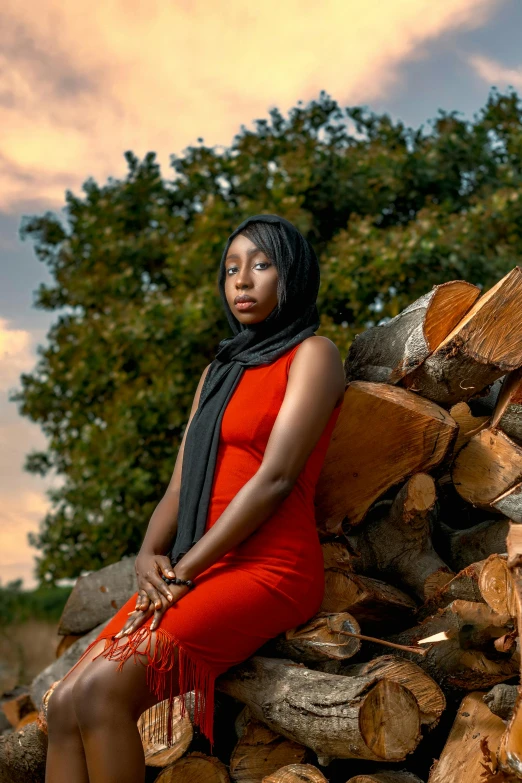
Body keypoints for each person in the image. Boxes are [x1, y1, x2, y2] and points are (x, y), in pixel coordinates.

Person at [45, 213, 345, 783]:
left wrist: (186, 567)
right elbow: (181, 485)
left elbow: (276, 477)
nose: (242, 281)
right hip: (197, 566)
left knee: (106, 692)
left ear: (294, 275)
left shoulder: (313, 355)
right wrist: (146, 554)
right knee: (64, 704)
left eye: (261, 264)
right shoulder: (219, 371)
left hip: (268, 567)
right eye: (231, 269)